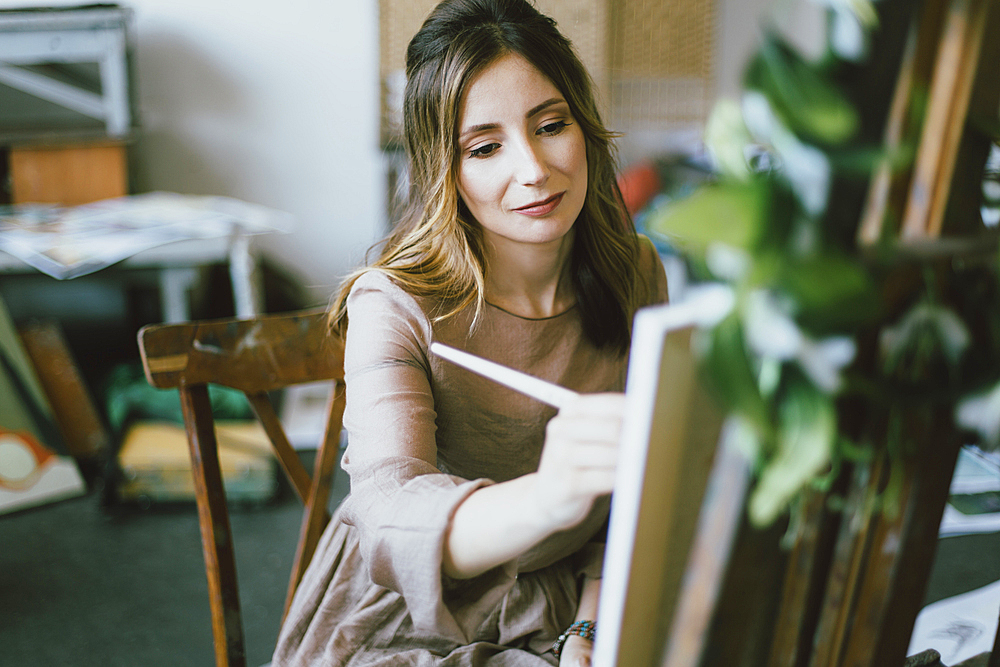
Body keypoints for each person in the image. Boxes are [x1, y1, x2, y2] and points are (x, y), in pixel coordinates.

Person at [273, 0, 668, 664]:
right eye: (484, 147)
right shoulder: (394, 300)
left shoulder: (635, 272)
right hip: (414, 607)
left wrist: (589, 631)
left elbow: (637, 493)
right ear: (443, 170)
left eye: (551, 125)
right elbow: (388, 516)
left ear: (585, 125)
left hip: (582, 592)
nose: (534, 169)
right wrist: (550, 493)